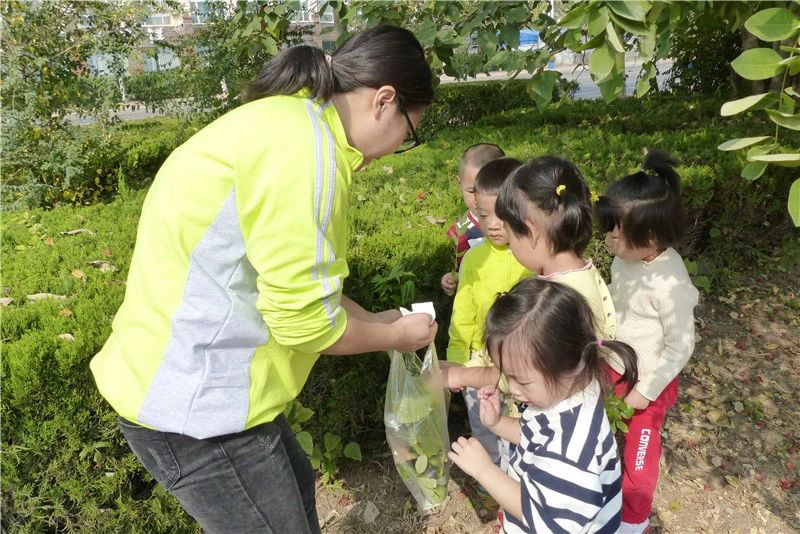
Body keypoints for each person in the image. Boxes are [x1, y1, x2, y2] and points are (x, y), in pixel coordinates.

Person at [90, 25, 437, 534]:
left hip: (216, 395)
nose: (396, 147)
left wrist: (380, 320)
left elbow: (307, 288)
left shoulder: (288, 122)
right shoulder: (306, 152)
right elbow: (305, 325)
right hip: (202, 415)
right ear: (385, 101)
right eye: (409, 131)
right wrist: (394, 335)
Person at [448, 277, 639, 533]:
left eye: (521, 380)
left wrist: (484, 471)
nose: (511, 388)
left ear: (570, 365)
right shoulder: (572, 391)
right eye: (507, 375)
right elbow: (539, 436)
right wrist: (497, 423)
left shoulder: (572, 454)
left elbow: (544, 518)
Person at [442, 156, 616, 391]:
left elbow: (523, 374)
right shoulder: (579, 274)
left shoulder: (557, 299)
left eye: (511, 233)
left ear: (531, 233)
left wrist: (462, 376)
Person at [596, 150, 699, 534]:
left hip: (647, 384)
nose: (608, 239)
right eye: (608, 229)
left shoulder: (670, 283)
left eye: (616, 234)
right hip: (615, 367)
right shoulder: (624, 260)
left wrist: (646, 390)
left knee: (639, 455)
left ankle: (633, 520)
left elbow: (680, 346)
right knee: (606, 438)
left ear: (651, 236)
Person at [444, 157, 529, 471]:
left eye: (501, 215)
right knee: (484, 422)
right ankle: (492, 474)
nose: (492, 224)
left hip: (523, 363)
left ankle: (517, 475)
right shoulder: (474, 259)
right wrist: (456, 357)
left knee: (520, 423)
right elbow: (462, 313)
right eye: (483, 214)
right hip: (479, 361)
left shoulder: (532, 255)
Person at [441, 143, 506, 296]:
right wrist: (452, 279)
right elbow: (460, 270)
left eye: (486, 191)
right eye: (471, 191)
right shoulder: (460, 232)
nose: (479, 199)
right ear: (460, 184)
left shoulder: (514, 220)